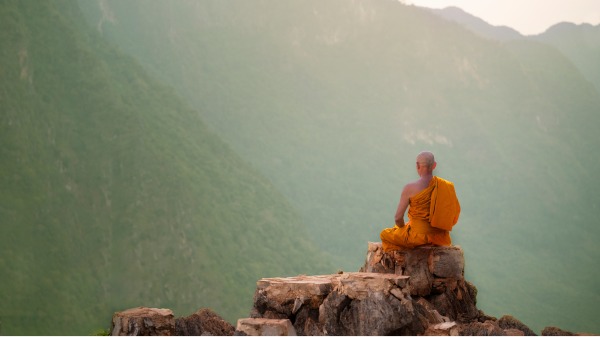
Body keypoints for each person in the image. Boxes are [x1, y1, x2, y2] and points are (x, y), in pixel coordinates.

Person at [380, 151, 460, 252]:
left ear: (417, 165)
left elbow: (398, 218)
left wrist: (403, 229)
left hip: (417, 237)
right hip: (440, 237)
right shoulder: (447, 186)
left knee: (384, 234)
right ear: (434, 165)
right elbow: (453, 214)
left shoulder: (409, 188)